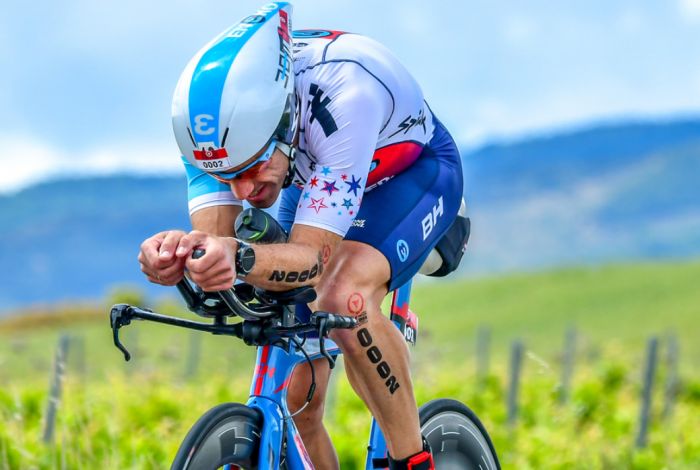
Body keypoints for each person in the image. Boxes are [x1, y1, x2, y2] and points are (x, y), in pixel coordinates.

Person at [138, 3, 463, 469]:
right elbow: (221, 254)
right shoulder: (211, 134)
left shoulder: (346, 97)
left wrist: (242, 255)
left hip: (408, 174)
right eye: (225, 176)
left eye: (251, 169)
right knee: (298, 396)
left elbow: (311, 261)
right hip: (314, 177)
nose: (242, 191)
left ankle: (413, 461)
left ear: (284, 123)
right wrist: (179, 259)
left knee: (340, 295)